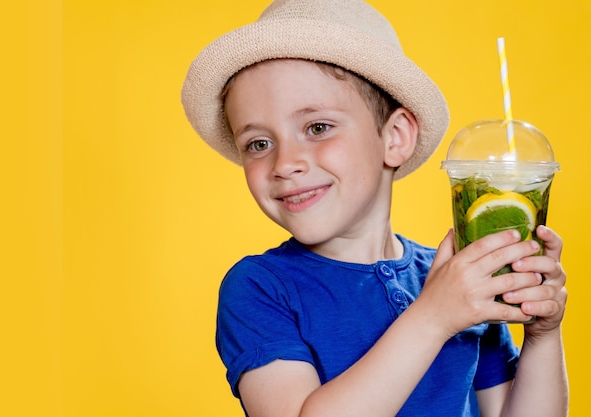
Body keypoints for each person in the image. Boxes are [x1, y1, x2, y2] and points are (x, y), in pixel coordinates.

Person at [181, 0, 568, 416]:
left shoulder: (453, 281)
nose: (285, 162)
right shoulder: (260, 288)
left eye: (317, 128)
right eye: (259, 143)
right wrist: (434, 317)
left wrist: (543, 335)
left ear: (395, 137)